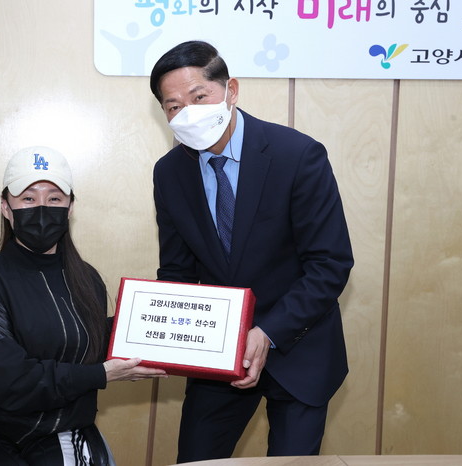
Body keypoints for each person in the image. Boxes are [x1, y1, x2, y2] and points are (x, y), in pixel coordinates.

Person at [149, 41, 354, 461]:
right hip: (217, 356)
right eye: (173, 106)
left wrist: (268, 332)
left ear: (231, 90)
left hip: (299, 347)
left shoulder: (297, 155)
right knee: (196, 459)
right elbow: (177, 271)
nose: (187, 112)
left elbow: (329, 264)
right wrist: (157, 331)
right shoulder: (169, 173)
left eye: (199, 97)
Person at [0, 146, 166, 465]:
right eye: (28, 199)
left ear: (70, 207)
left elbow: (92, 342)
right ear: (6, 208)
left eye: (55, 198)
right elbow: (9, 378)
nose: (42, 208)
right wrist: (100, 375)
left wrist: (151, 329)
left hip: (60, 426)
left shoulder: (87, 279)